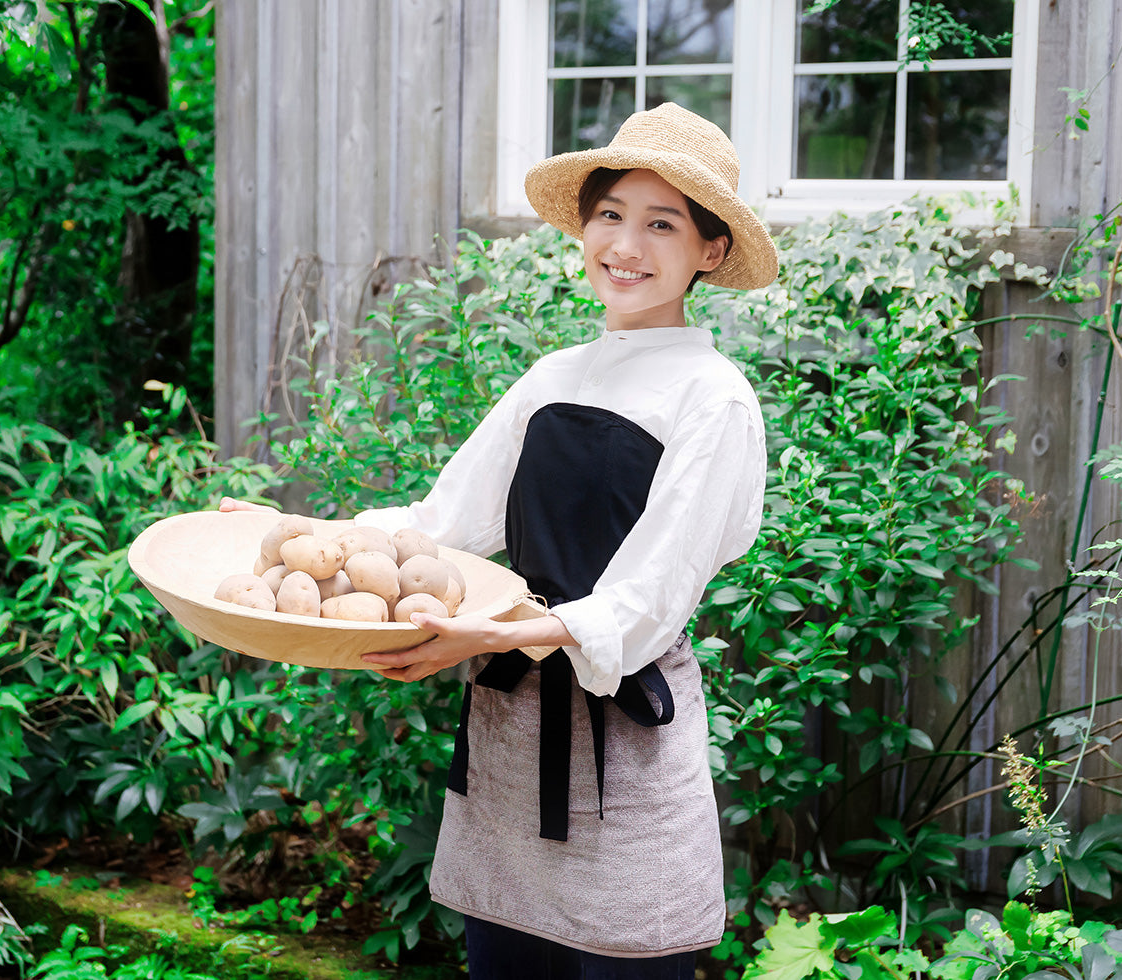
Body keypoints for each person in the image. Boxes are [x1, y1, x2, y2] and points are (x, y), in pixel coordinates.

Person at [223, 102, 776, 978]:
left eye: (661, 223)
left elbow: (647, 598)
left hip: (624, 756)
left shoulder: (715, 399)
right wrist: (292, 536)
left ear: (710, 251)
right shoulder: (553, 377)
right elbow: (441, 526)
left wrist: (491, 636)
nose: (625, 245)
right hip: (512, 732)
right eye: (610, 216)